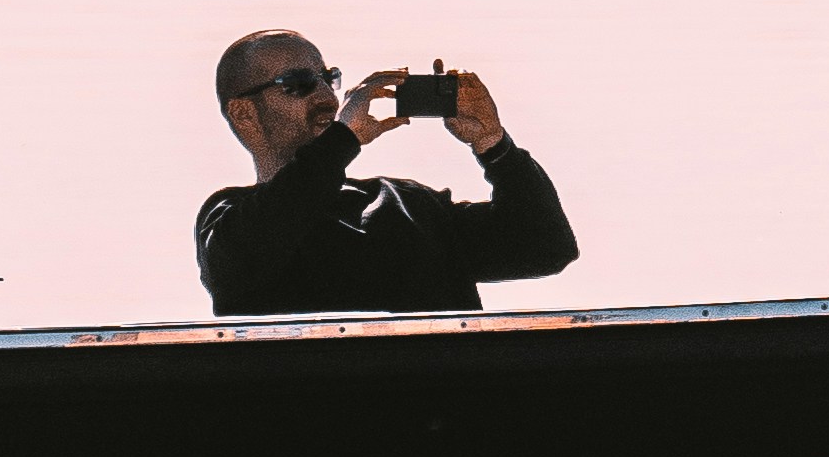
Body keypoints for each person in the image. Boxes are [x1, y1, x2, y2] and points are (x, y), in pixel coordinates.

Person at [197, 35, 580, 314]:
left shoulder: (411, 204)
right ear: (245, 114)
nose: (327, 98)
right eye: (298, 85)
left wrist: (495, 147)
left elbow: (545, 248)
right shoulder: (230, 217)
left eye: (329, 78)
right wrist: (343, 139)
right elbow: (253, 251)